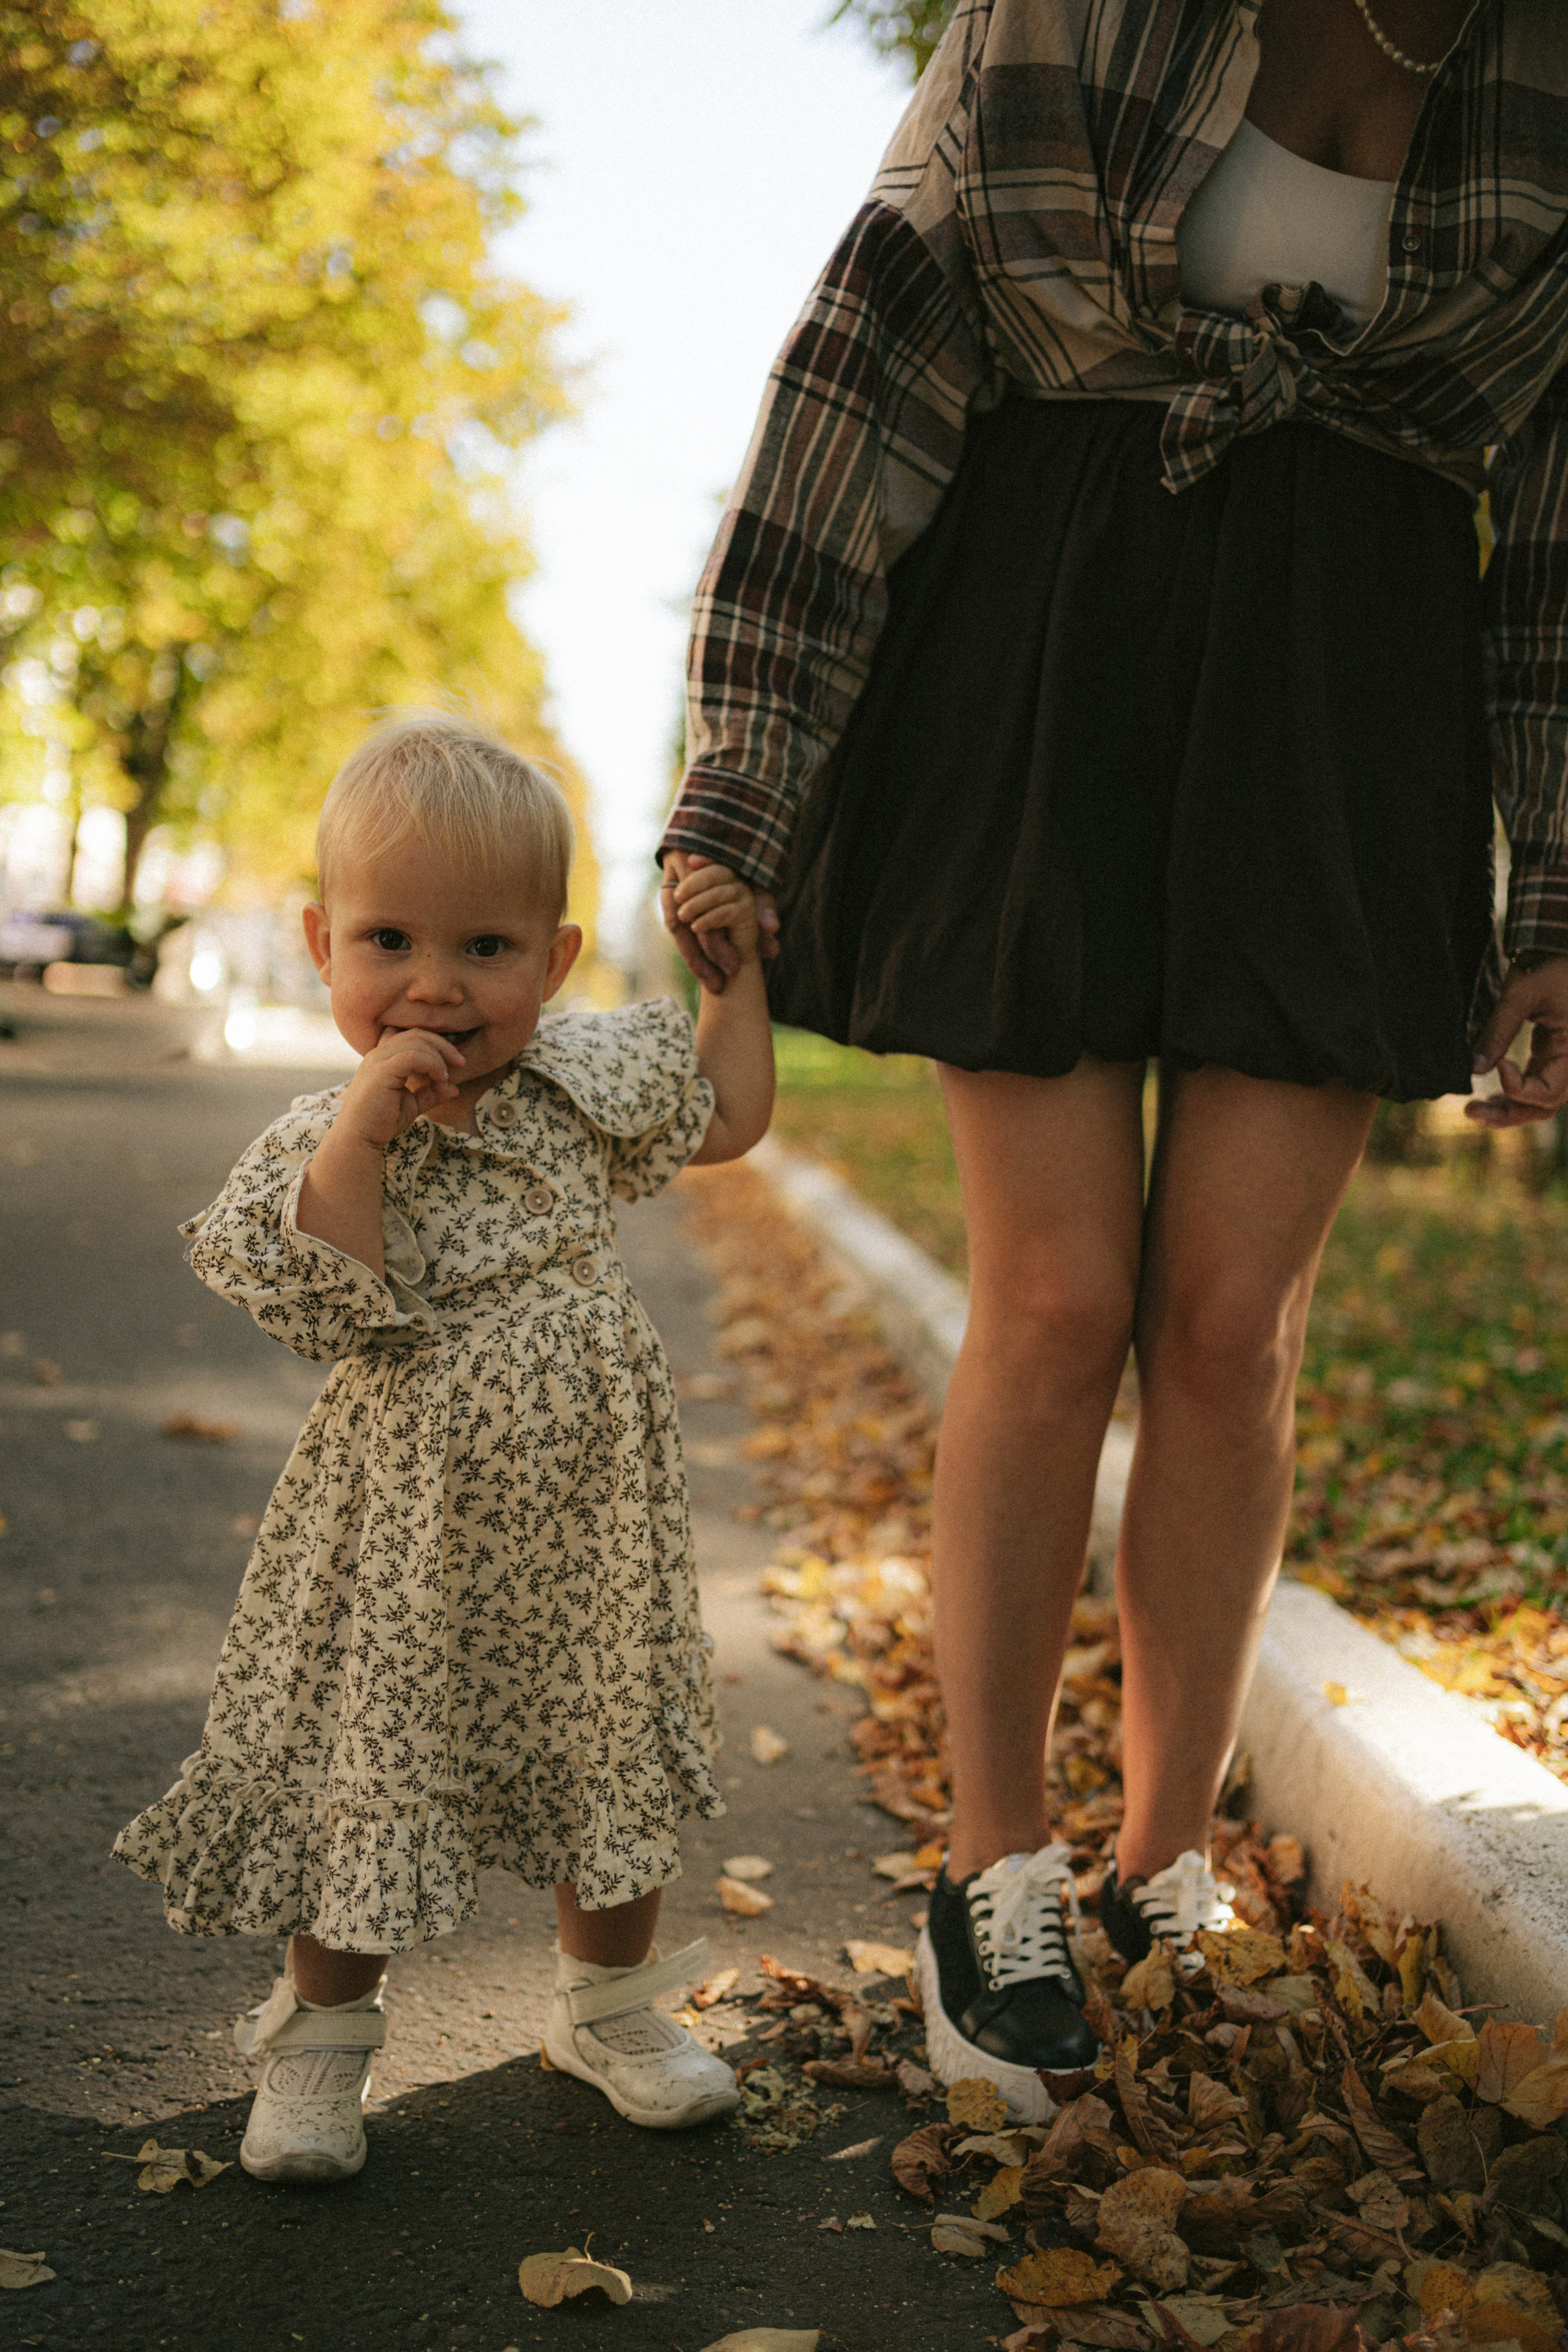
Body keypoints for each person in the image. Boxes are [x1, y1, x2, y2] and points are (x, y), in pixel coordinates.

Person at [661, 0, 1568, 2119]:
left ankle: (1167, 1861)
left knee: (1234, 1324)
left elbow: (1559, 542)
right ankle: (995, 1868)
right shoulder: (1068, 18)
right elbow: (859, 372)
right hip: (1046, 644)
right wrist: (744, 783)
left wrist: (1556, 906)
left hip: (1351, 689)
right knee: (1058, 1300)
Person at [115, 710, 775, 2183]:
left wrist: (736, 978)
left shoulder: (579, 1088)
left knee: (608, 1747)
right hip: (405, 1529)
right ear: (321, 946)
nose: (434, 984)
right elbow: (322, 1295)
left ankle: (604, 2008)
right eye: (389, 940)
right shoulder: (324, 1133)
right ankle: (321, 2044)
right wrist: (362, 1133)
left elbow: (728, 1114)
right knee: (373, 1754)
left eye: (484, 950)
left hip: (587, 1516)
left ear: (551, 961)